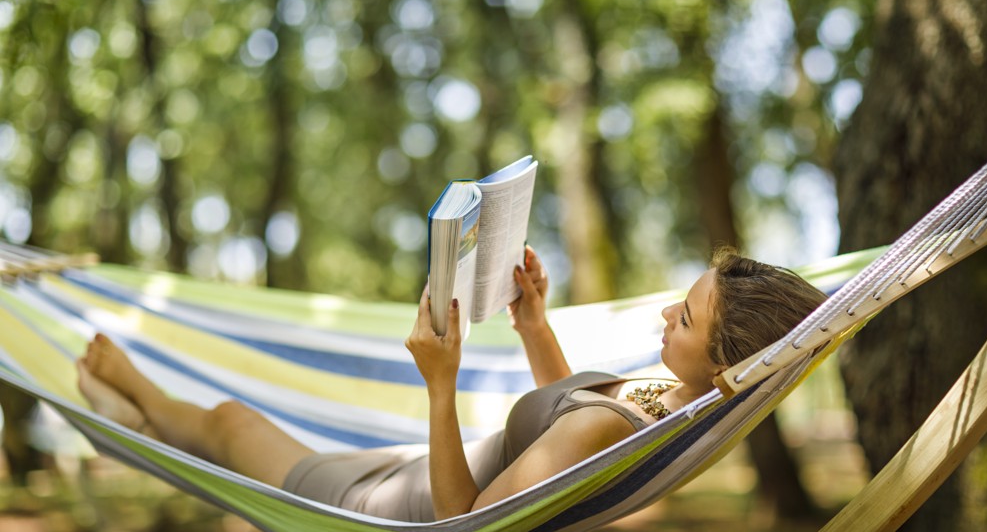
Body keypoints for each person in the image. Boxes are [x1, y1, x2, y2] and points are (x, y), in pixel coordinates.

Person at [76, 245, 827, 522]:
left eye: (687, 317)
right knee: (229, 424)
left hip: (395, 508)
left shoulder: (633, 424)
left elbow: (463, 520)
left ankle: (133, 403)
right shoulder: (663, 403)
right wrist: (535, 323)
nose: (668, 310)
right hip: (406, 473)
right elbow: (565, 427)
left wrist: (441, 381)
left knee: (234, 420)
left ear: (725, 364)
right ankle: (137, 414)